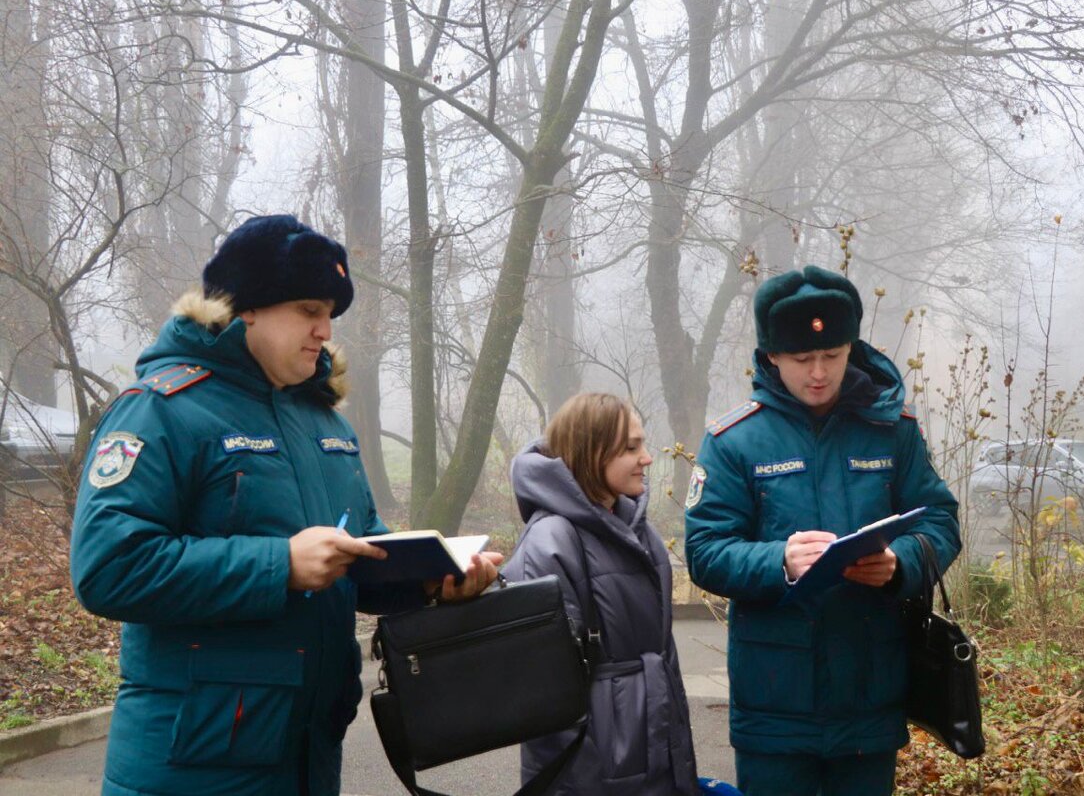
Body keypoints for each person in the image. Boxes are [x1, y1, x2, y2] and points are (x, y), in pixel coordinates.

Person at [70, 214, 501, 796]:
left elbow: (359, 549)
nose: (325, 331)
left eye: (329, 314)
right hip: (191, 765)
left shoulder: (322, 422)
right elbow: (108, 568)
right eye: (308, 310)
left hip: (309, 753)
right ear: (247, 306)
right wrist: (280, 565)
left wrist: (429, 580)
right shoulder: (160, 409)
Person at [684, 266, 961, 796]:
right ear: (771, 358)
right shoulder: (733, 441)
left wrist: (902, 562)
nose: (819, 372)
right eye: (802, 359)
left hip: (870, 693)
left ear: (850, 348)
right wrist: (778, 560)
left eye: (832, 356)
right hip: (774, 704)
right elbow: (704, 550)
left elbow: (940, 519)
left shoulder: (892, 429)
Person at [503, 393, 701, 796]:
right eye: (631, 447)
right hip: (592, 777)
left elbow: (663, 660)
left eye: (643, 444)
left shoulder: (640, 531)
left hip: (660, 766)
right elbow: (545, 698)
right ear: (591, 451)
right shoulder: (551, 542)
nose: (647, 458)